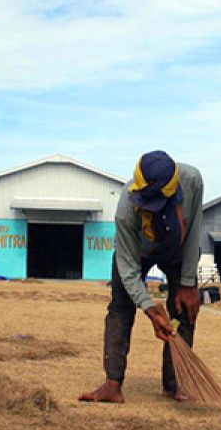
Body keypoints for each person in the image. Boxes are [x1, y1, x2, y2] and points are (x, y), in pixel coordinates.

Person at [80, 150, 203, 404]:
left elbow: (193, 232)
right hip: (138, 252)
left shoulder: (192, 181)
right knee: (120, 308)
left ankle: (175, 384)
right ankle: (112, 384)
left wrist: (189, 283)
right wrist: (148, 307)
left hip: (177, 249)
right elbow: (127, 268)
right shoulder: (126, 209)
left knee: (185, 310)